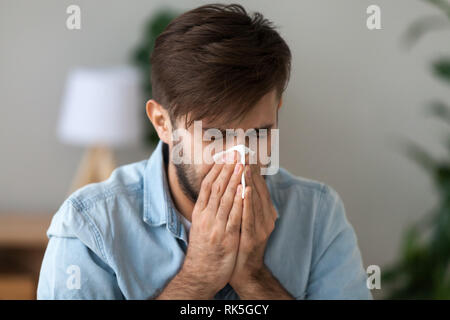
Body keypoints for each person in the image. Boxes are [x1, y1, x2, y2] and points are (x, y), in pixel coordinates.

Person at [37, 3, 372, 300]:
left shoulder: (318, 216)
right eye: (216, 136)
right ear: (162, 123)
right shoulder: (90, 227)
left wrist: (254, 279)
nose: (241, 158)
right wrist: (197, 278)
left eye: (259, 132)